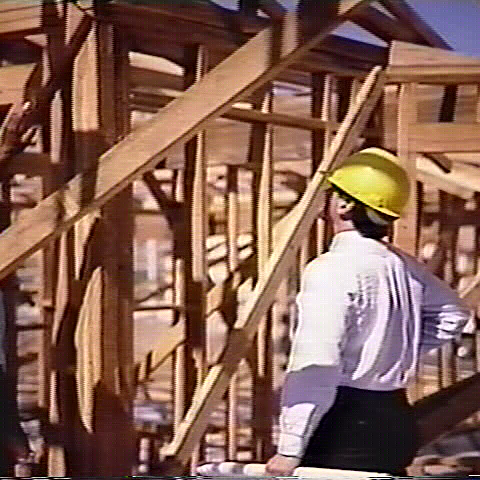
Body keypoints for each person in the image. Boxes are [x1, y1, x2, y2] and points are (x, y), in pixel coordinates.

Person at [266, 148, 470, 477]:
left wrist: (290, 447)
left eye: (331, 193)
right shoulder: (403, 265)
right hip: (393, 419)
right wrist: (396, 350)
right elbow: (453, 315)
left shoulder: (330, 269)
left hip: (343, 429)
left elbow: (317, 361)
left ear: (345, 205)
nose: (326, 199)